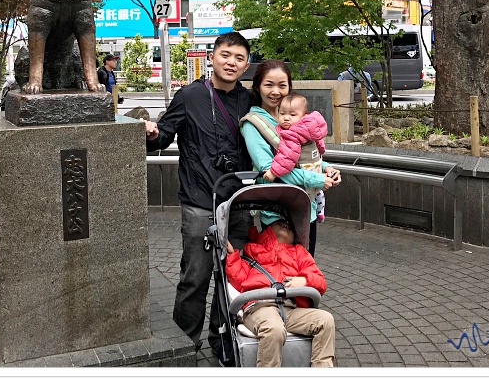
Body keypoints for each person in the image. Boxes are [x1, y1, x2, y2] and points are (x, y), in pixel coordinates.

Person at [143, 31, 254, 364]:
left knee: (234, 277)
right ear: (212, 57)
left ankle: (222, 339)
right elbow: (163, 136)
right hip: (199, 202)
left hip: (239, 202)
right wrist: (151, 132)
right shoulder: (190, 96)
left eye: (239, 57)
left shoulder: (249, 101)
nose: (231, 62)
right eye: (225, 55)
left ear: (246, 64)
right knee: (195, 278)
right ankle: (184, 345)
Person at [240, 60, 341, 256]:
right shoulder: (253, 124)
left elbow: (303, 157)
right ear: (257, 86)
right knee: (284, 274)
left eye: (282, 85)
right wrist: (317, 179)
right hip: (278, 212)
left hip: (305, 206)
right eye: (268, 84)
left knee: (305, 268)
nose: (275, 91)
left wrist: (326, 168)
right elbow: (270, 169)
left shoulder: (294, 119)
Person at [225, 218, 335, 367]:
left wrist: (304, 281)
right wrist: (232, 256)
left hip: (291, 309)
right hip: (260, 307)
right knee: (274, 329)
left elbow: (320, 281)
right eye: (279, 223)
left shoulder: (299, 253)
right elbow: (238, 279)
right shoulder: (252, 250)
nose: (285, 224)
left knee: (325, 320)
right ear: (266, 230)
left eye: (289, 226)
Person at [261, 92, 329, 224]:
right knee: (318, 194)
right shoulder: (311, 128)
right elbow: (320, 145)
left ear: (304, 116)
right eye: (282, 113)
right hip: (315, 169)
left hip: (303, 175)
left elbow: (287, 157)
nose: (286, 118)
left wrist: (273, 172)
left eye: (292, 115)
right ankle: (320, 213)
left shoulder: (291, 134)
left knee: (305, 195)